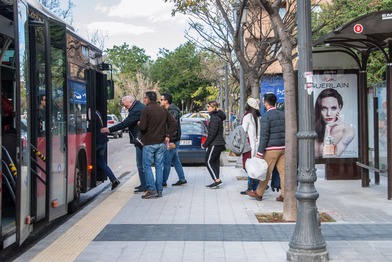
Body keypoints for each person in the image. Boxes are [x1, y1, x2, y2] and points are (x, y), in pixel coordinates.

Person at [101, 96, 146, 193]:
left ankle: (145, 185)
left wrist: (109, 129)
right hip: (140, 139)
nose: (125, 108)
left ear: (131, 101)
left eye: (126, 105)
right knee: (141, 164)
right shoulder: (138, 107)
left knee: (141, 164)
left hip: (140, 140)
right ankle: (144, 184)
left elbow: (125, 123)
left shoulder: (137, 109)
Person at [138, 91, 177, 199]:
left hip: (149, 143)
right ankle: (159, 190)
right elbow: (173, 123)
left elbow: (143, 127)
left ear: (148, 99)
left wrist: (139, 124)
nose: (144, 100)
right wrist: (168, 135)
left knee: (147, 166)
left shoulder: (146, 110)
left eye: (145, 98)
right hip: (161, 143)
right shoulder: (163, 110)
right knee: (159, 166)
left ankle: (151, 189)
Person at [247, 93, 285, 202]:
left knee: (266, 172)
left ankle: (259, 193)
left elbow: (264, 136)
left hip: (271, 149)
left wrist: (259, 153)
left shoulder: (265, 117)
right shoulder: (282, 115)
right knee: (283, 173)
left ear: (266, 103)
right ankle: (284, 194)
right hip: (283, 148)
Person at [314, 88, 355, 157]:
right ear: (319, 110)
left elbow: (328, 157)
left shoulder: (347, 130)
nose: (329, 114)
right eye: (324, 108)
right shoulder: (312, 127)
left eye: (333, 108)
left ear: (339, 107)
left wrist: (328, 130)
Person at [160, 93, 187, 187]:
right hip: (173, 139)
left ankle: (163, 181)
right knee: (175, 160)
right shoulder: (169, 110)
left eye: (161, 99)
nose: (160, 101)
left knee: (166, 161)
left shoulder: (172, 111)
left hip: (172, 140)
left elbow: (173, 127)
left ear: (166, 101)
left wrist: (171, 140)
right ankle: (182, 178)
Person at [202, 101, 226, 189]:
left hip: (216, 143)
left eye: (209, 106)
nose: (207, 108)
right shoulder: (216, 116)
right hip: (218, 143)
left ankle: (217, 180)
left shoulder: (215, 118)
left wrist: (205, 144)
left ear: (213, 108)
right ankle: (216, 180)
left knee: (208, 161)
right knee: (215, 162)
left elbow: (212, 133)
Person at [240, 98, 261, 195]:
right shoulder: (258, 116)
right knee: (254, 166)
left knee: (248, 166)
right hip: (257, 145)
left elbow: (243, 131)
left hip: (249, 145)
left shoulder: (247, 116)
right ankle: (255, 185)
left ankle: (251, 186)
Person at [95, 110, 120, 191]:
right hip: (103, 140)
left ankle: (113, 180)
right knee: (101, 162)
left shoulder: (90, 113)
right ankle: (113, 179)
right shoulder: (97, 112)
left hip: (97, 141)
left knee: (97, 161)